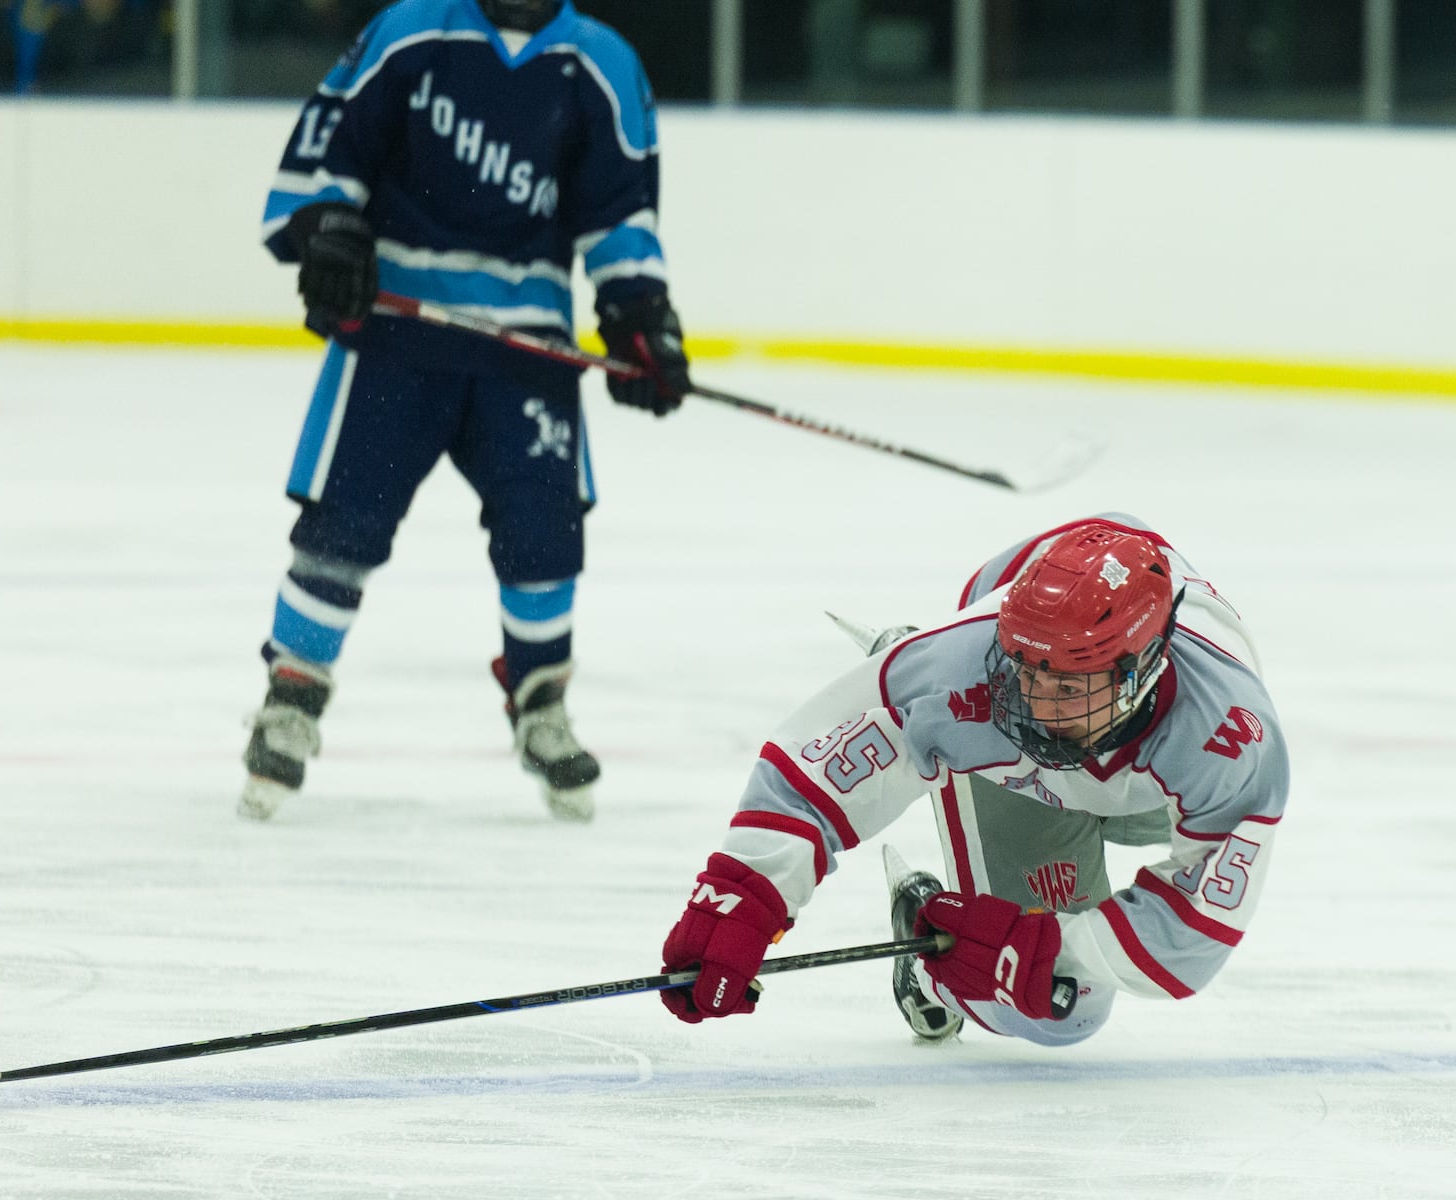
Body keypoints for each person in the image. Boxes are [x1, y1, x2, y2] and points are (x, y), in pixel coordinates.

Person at [239, 0, 689, 823]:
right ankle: (293, 695)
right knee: (344, 522)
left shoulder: (602, 62)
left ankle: (541, 700)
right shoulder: (412, 31)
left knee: (544, 532)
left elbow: (620, 210)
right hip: (397, 330)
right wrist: (331, 229)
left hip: (527, 349)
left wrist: (638, 313)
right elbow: (330, 145)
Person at [658, 513, 1287, 1046]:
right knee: (1062, 1012)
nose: (1036, 707)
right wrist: (743, 896)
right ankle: (926, 953)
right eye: (1025, 673)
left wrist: (1047, 944)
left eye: (1067, 686)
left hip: (1151, 777)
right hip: (1013, 747)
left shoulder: (1228, 736)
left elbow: (1194, 932)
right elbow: (810, 772)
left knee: (1100, 879)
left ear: (1141, 671)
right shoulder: (967, 666)